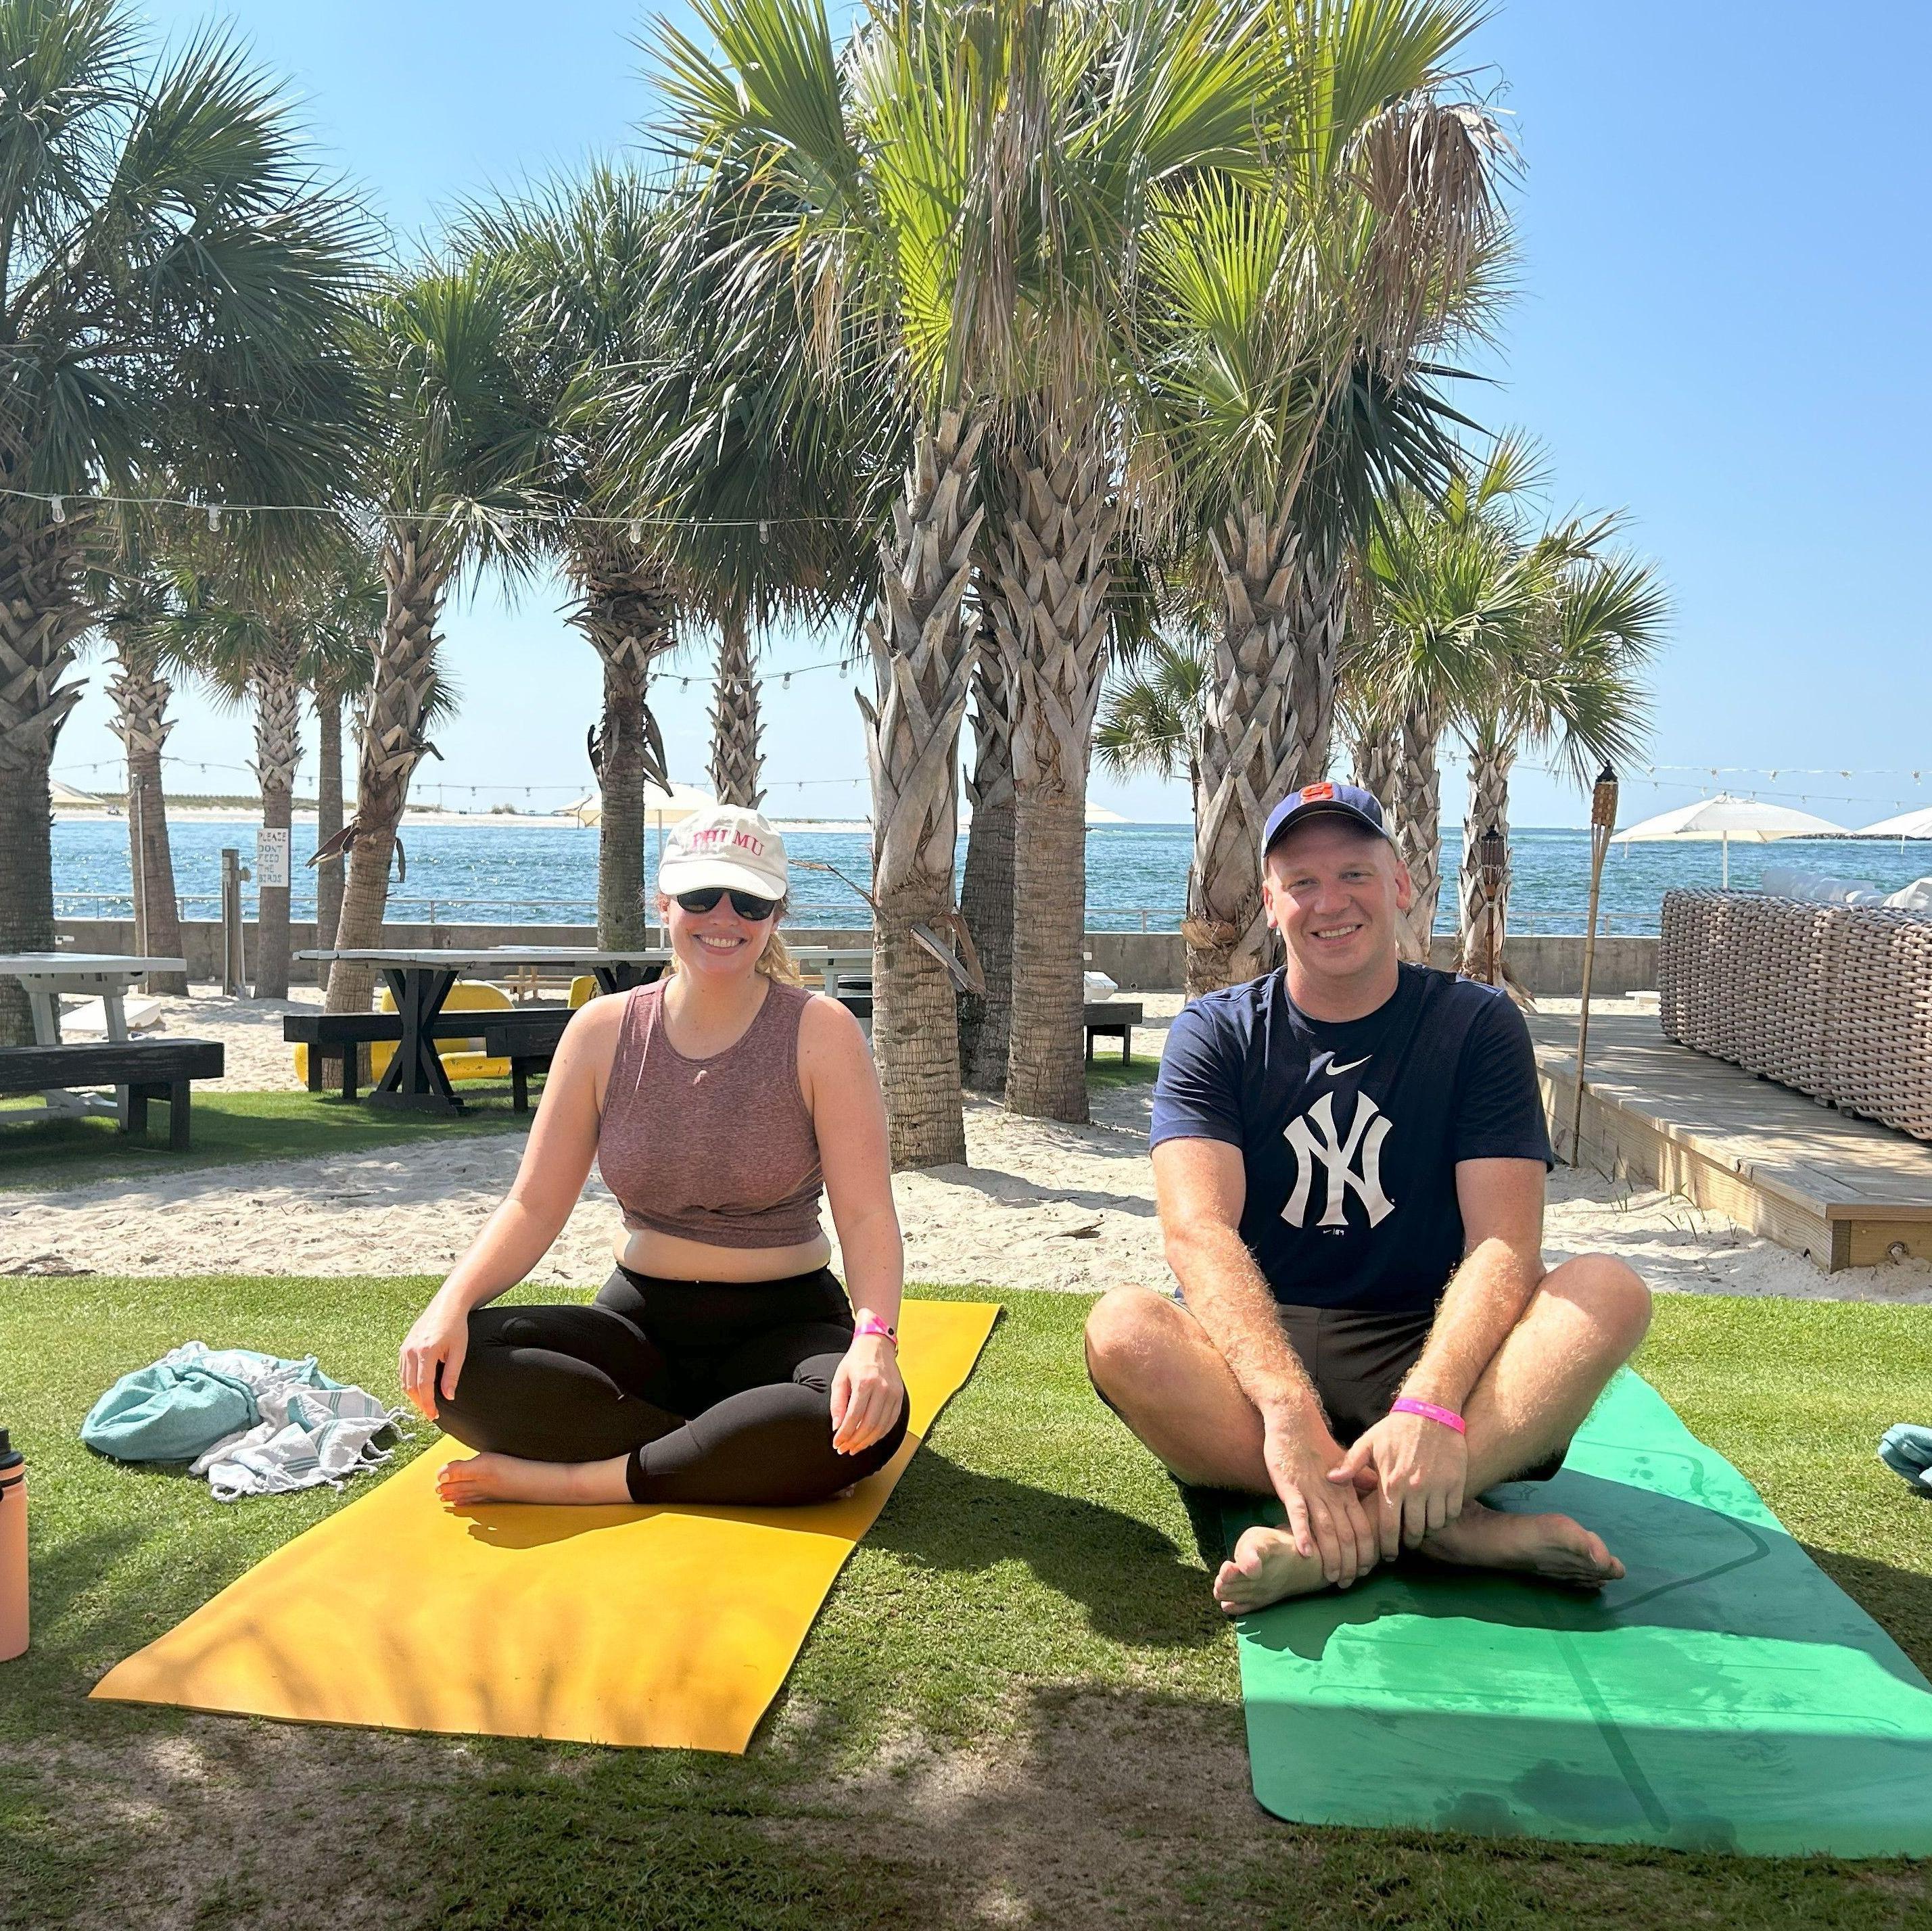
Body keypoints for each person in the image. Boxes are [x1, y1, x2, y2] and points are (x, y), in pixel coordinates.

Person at [1083, 782, 1652, 1616]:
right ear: (1270, 904)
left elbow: (1504, 1244)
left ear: (1400, 885)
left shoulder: (1476, 1024)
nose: (1330, 901)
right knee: (1121, 1328)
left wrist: (1430, 1403)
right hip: (1259, 1353)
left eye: (1354, 872)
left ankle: (1354, 1530)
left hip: (1425, 1342)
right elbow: (1196, 1231)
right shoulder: (1216, 1030)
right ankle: (1443, 1523)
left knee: (1608, 1291)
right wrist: (1283, 1407)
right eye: (1301, 882)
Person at [397, 804, 909, 1510]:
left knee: (860, 1423)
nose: (722, 916)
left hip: (785, 1328)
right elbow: (533, 1204)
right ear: (663, 902)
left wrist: (874, 1341)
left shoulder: (820, 1032)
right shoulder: (603, 1031)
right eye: (700, 896)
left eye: (749, 900)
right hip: (639, 1329)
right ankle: (717, 1453)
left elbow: (865, 1213)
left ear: (776, 914)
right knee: (458, 1367)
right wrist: (447, 1306)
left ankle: (585, 1480)